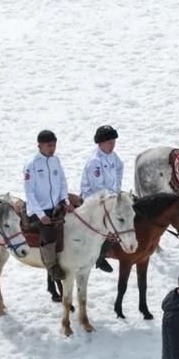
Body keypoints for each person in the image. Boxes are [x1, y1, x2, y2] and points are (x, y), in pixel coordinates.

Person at [24, 130, 74, 300]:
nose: (52, 148)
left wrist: (65, 201)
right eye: (48, 145)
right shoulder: (31, 165)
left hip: (56, 205)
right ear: (39, 145)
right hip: (39, 210)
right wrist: (40, 214)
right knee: (50, 233)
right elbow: (29, 193)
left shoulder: (55, 160)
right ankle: (52, 267)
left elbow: (62, 182)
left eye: (54, 145)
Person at [80, 125, 123, 273]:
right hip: (94, 200)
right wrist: (112, 198)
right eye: (109, 142)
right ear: (100, 143)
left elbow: (120, 168)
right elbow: (98, 189)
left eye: (113, 142)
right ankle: (100, 255)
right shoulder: (95, 162)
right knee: (109, 225)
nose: (112, 145)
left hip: (110, 197)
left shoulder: (113, 156)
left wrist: (117, 191)